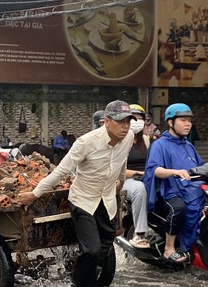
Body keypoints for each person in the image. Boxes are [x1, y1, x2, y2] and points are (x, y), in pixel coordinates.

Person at [16, 100, 135, 287]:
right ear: (107, 121)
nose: (125, 126)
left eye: (128, 121)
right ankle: (77, 283)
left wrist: (120, 180)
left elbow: (122, 159)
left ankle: (85, 274)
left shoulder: (128, 137)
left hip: (108, 200)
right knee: (92, 251)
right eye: (121, 121)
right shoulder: (86, 142)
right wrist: (35, 194)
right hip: (84, 201)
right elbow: (61, 171)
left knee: (105, 246)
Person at [143, 103, 204, 264]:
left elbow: (200, 167)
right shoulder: (159, 144)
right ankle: (169, 248)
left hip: (189, 188)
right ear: (171, 122)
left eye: (189, 121)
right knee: (179, 208)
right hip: (168, 190)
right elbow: (154, 169)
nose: (188, 124)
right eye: (183, 120)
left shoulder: (188, 144)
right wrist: (174, 172)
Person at [122, 104, 150, 249]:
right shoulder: (120, 141)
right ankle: (139, 234)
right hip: (127, 180)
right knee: (140, 189)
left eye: (140, 119)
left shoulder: (146, 140)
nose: (137, 122)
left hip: (147, 178)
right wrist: (139, 174)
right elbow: (118, 170)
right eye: (133, 118)